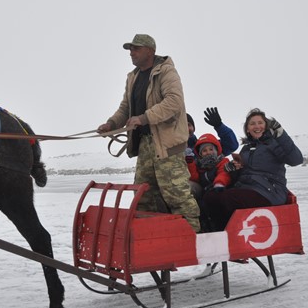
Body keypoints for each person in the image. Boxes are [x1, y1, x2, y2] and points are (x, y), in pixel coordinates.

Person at [97, 34, 201, 232]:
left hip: (167, 145)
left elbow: (173, 102)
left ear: (150, 51)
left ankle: (192, 237)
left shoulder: (167, 72)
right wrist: (111, 124)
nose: (131, 53)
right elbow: (125, 107)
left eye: (135, 49)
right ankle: (150, 237)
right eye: (130, 49)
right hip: (145, 145)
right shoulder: (133, 77)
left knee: (176, 193)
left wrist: (144, 118)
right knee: (143, 196)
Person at [203, 108, 304, 231]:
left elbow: (296, 160)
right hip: (248, 188)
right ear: (247, 129)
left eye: (260, 123)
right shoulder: (246, 149)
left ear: (266, 126)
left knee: (229, 199)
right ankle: (220, 232)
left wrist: (281, 134)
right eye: (252, 123)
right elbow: (241, 175)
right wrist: (233, 169)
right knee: (210, 196)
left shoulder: (274, 144)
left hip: (269, 191)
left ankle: (225, 234)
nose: (257, 126)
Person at [185, 108, 238, 197]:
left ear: (193, 128)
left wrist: (219, 126)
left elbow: (231, 145)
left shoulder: (201, 146)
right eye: (181, 125)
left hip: (208, 188)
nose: (186, 129)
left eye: (189, 125)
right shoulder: (167, 146)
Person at [188, 133, 232, 231]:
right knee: (199, 205)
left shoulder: (222, 161)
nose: (208, 152)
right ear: (200, 154)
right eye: (204, 150)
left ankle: (218, 226)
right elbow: (195, 178)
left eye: (211, 149)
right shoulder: (199, 165)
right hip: (204, 191)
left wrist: (219, 183)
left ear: (216, 150)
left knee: (214, 204)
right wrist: (190, 163)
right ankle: (201, 225)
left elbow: (223, 173)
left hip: (218, 189)